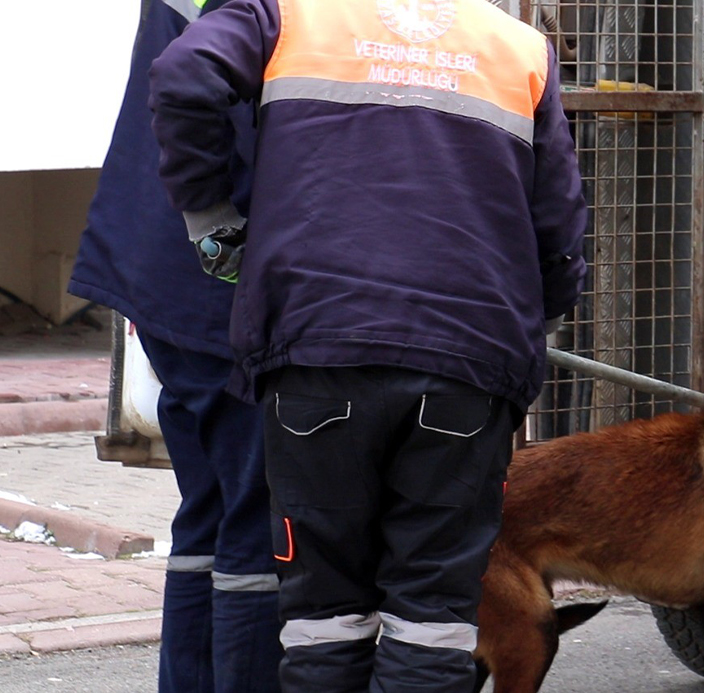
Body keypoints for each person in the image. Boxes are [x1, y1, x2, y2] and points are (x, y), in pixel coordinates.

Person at [147, 0, 589, 690]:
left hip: (318, 352)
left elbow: (184, 74)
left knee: (324, 612)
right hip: (468, 359)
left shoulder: (287, 12)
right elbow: (558, 220)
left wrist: (212, 219)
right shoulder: (519, 46)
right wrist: (536, 322)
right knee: (433, 613)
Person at [68, 1, 283, 692]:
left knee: (211, 506)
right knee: (257, 514)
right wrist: (218, 227)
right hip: (220, 280)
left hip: (165, 266)